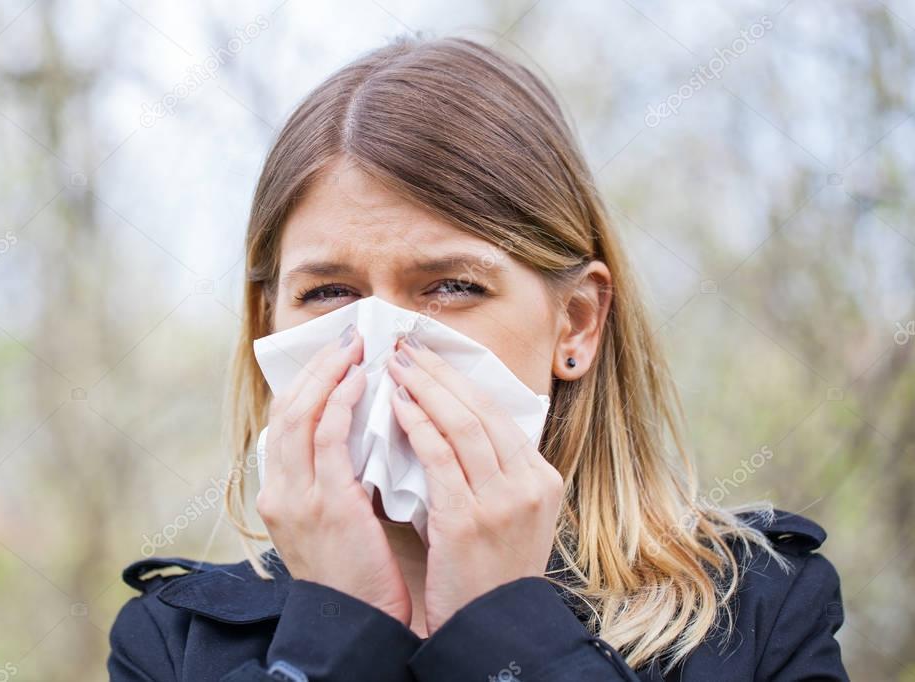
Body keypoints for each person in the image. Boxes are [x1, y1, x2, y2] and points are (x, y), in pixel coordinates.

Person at [107, 35, 848, 681]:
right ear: (267, 322)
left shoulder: (753, 616)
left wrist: (504, 627)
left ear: (576, 324)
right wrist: (334, 634)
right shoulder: (174, 643)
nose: (380, 335)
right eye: (329, 292)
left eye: (452, 286)